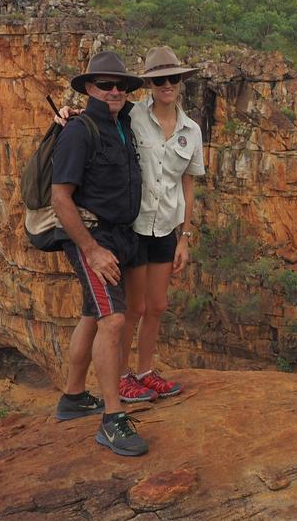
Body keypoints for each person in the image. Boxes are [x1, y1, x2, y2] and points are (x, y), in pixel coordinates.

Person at [50, 50, 149, 457]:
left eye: (120, 85)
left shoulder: (121, 123)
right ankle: (112, 418)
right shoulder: (79, 129)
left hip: (121, 237)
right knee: (114, 320)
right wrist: (91, 251)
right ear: (89, 87)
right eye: (105, 84)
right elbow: (60, 196)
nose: (114, 90)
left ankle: (73, 398)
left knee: (92, 315)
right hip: (94, 239)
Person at [118, 46, 204, 401]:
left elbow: (188, 181)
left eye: (172, 78)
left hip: (166, 227)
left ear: (180, 82)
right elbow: (94, 119)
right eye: (158, 80)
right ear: (149, 84)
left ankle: (145, 371)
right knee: (133, 307)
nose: (166, 84)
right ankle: (122, 376)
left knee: (157, 306)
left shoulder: (191, 130)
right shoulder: (132, 115)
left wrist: (184, 237)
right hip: (135, 226)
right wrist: (67, 114)